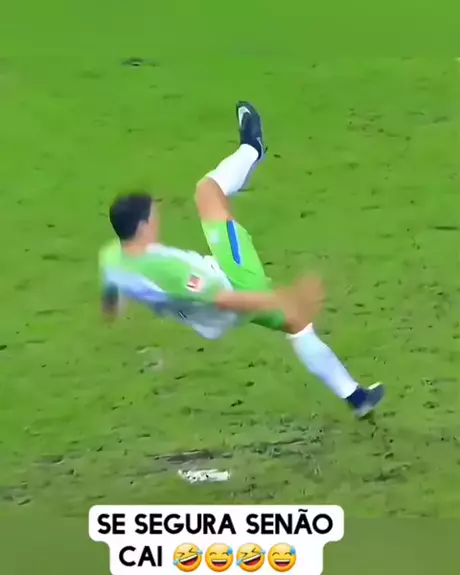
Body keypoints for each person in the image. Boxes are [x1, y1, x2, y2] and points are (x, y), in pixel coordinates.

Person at [99, 101, 384, 418]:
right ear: (142, 226)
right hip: (233, 282)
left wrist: (114, 307)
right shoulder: (170, 271)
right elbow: (224, 298)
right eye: (153, 216)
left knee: (296, 324)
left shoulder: (113, 259)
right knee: (207, 192)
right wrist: (285, 297)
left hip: (204, 319)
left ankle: (357, 398)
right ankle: (252, 148)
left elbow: (112, 289)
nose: (158, 220)